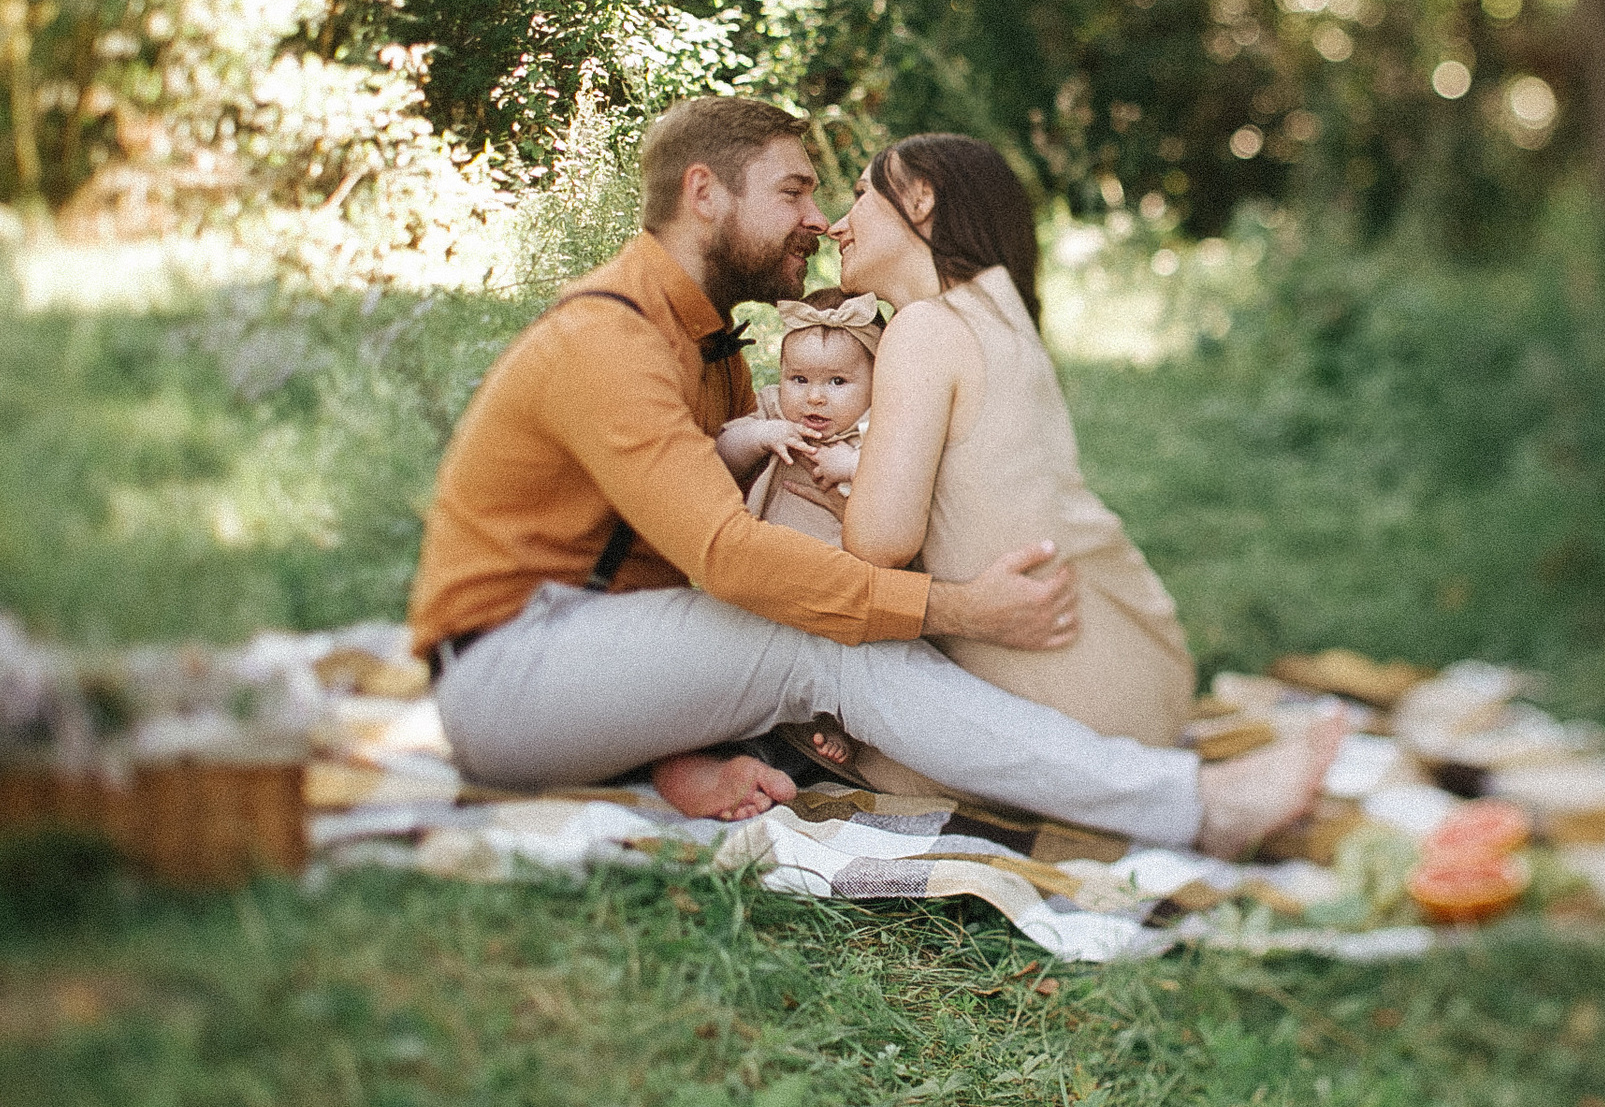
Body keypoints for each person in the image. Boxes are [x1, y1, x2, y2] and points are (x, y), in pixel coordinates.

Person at [406, 94, 1339, 854]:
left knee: (818, 621)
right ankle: (1194, 805)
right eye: (793, 191)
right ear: (705, 194)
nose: (817, 219)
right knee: (822, 644)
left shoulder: (709, 342)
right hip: (508, 671)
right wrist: (954, 609)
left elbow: (697, 556)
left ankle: (687, 756)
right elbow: (728, 559)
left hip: (593, 648)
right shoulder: (605, 341)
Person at [825, 135, 1201, 793]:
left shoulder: (925, 328)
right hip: (1141, 675)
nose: (837, 222)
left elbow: (878, 540)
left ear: (920, 197)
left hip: (1075, 714)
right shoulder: (1002, 316)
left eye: (860, 195)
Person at [715, 286, 882, 547]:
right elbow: (720, 458)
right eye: (799, 379)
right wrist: (760, 436)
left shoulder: (878, 426)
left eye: (837, 381)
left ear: (877, 381)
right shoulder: (775, 411)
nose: (814, 397)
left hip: (845, 572)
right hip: (765, 561)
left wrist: (852, 465)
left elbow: (902, 484)